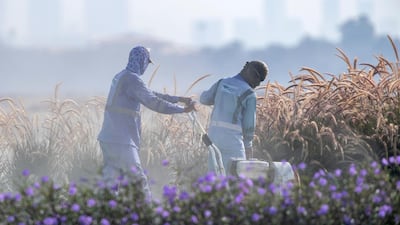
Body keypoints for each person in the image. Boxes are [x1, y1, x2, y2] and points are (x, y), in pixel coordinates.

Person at [97, 46, 195, 201]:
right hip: (122, 140)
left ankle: (104, 214)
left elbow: (149, 93)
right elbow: (153, 102)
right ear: (142, 61)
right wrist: (182, 110)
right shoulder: (132, 79)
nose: (146, 67)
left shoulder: (122, 76)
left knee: (111, 183)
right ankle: (148, 213)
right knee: (138, 180)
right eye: (146, 63)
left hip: (109, 137)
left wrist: (179, 99)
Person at [199, 60, 269, 176]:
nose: (258, 83)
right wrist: (248, 147)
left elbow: (204, 99)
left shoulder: (222, 83)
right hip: (233, 143)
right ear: (247, 68)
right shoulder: (249, 94)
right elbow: (249, 126)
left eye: (261, 80)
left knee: (214, 180)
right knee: (236, 181)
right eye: (257, 77)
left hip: (213, 139)